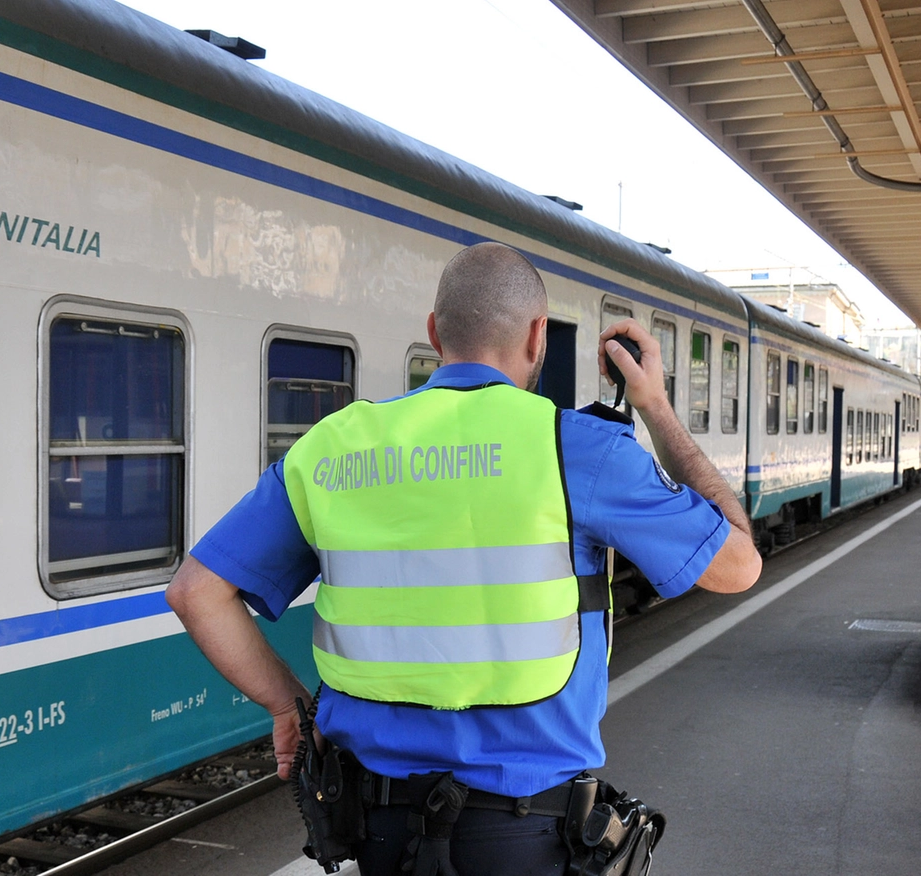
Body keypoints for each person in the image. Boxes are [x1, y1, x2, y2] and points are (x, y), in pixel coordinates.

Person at [166, 242, 760, 875]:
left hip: (377, 831)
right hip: (523, 831)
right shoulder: (577, 450)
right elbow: (739, 564)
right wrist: (656, 408)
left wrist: (290, 708)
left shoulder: (332, 448)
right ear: (539, 337)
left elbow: (196, 592)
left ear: (434, 334)